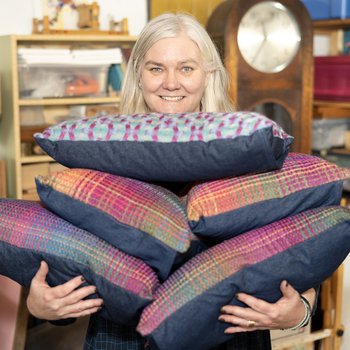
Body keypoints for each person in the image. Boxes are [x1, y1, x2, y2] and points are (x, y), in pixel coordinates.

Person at [26, 13, 317, 350]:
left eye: (186, 68)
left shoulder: (248, 153)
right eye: (156, 68)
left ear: (208, 76)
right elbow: (69, 267)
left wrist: (300, 311)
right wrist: (41, 307)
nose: (171, 82)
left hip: (228, 338)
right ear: (138, 75)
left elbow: (299, 254)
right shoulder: (100, 158)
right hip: (123, 340)